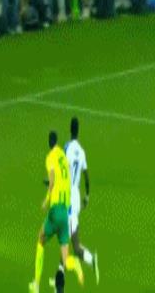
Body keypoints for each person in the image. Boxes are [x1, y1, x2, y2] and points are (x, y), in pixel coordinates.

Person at [29, 131, 84, 293]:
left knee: (41, 240)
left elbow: (52, 180)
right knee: (65, 259)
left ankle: (36, 284)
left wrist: (47, 199)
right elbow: (64, 178)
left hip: (55, 211)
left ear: (49, 142)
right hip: (65, 214)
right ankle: (75, 264)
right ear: (57, 142)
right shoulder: (63, 156)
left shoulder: (50, 157)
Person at [65, 117, 99, 285]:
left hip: (68, 198)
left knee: (73, 243)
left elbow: (62, 170)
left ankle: (91, 259)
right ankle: (60, 275)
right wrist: (87, 196)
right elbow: (86, 176)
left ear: (69, 129)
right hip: (77, 196)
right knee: (65, 236)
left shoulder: (67, 148)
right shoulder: (82, 151)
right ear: (78, 131)